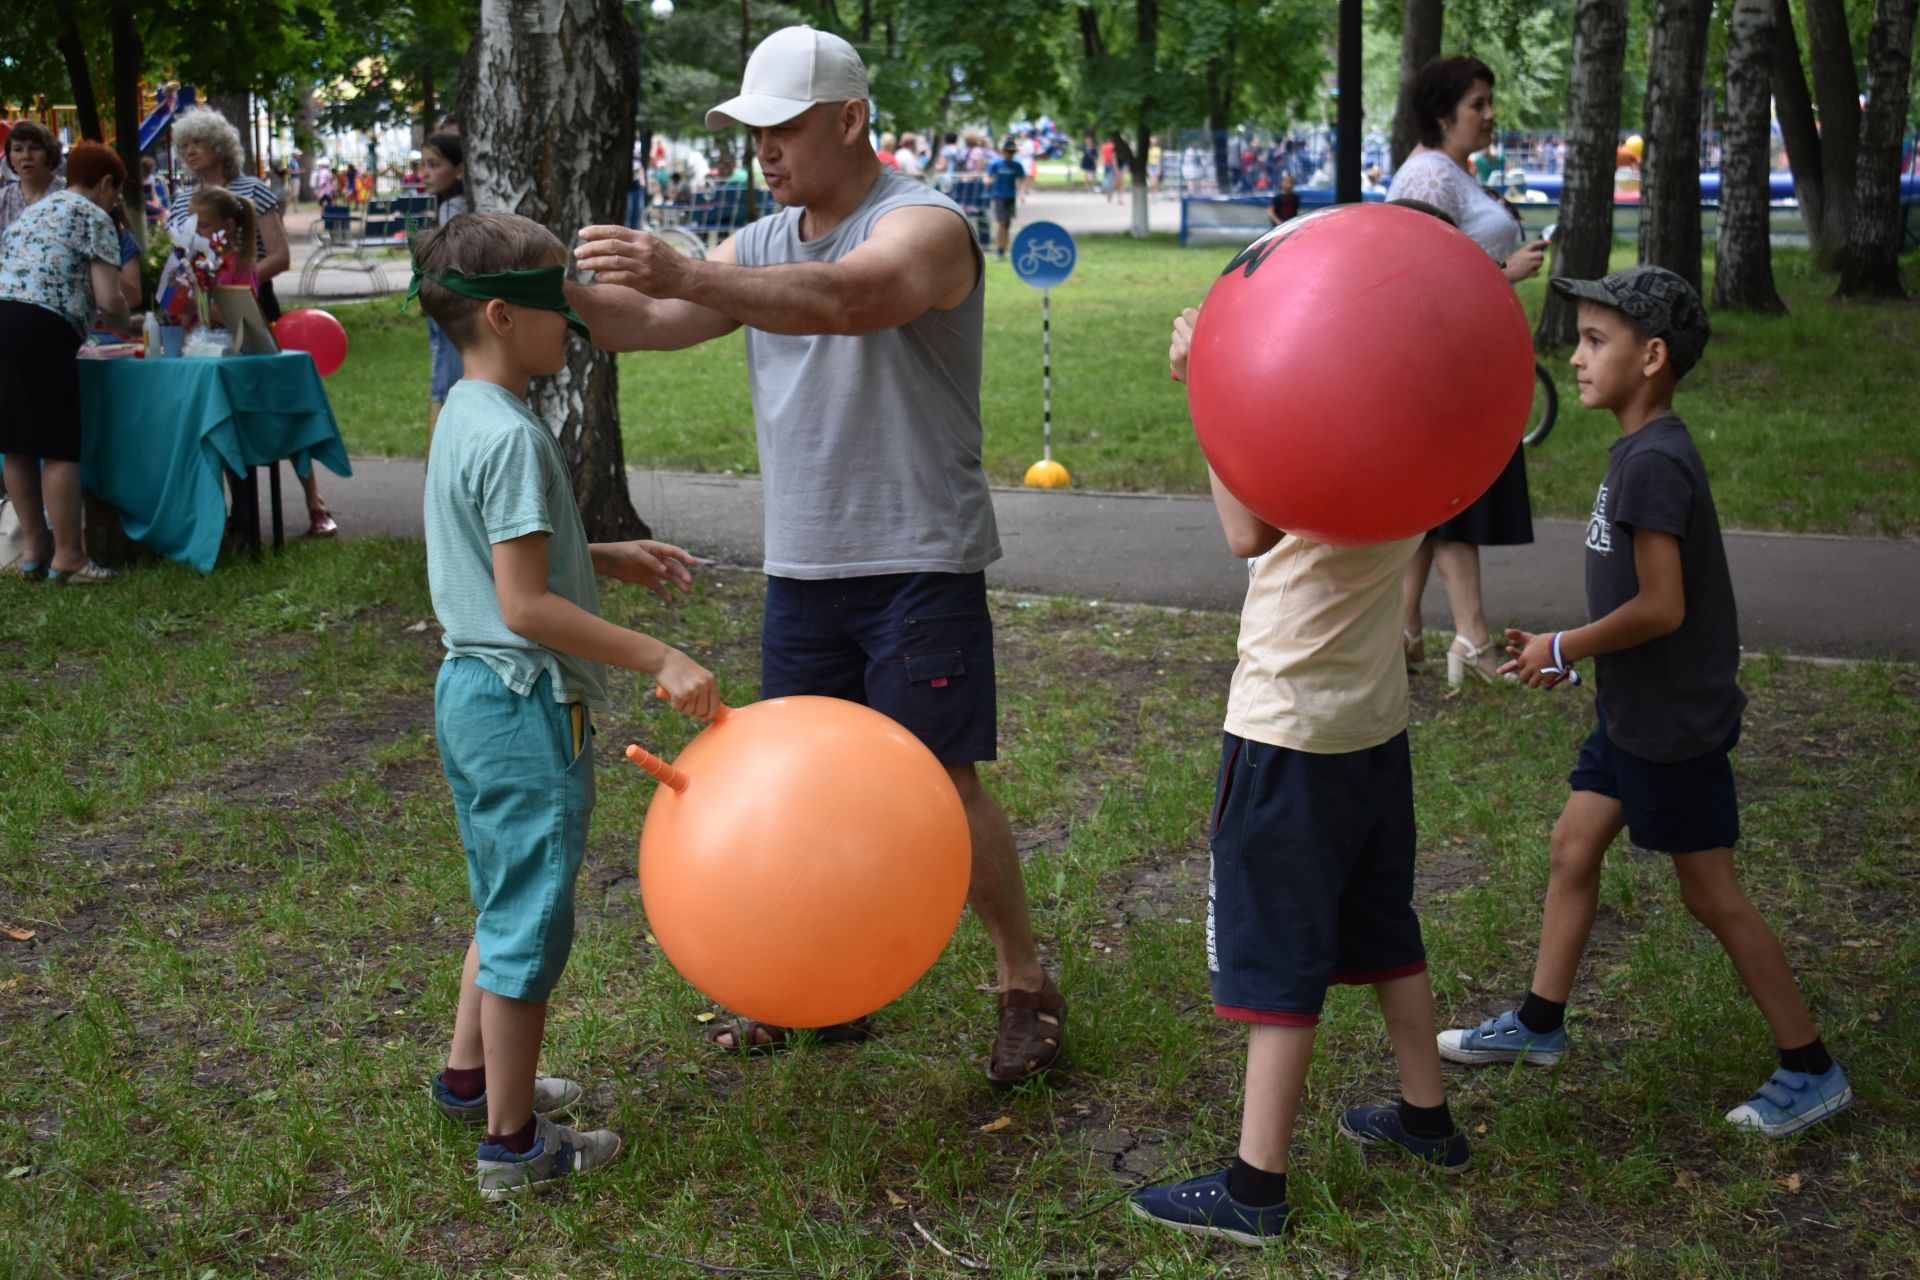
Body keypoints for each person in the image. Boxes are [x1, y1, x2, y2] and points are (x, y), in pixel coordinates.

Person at [570, 24, 1065, 1082]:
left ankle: (1024, 982)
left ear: (851, 118)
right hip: (804, 565)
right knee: (803, 790)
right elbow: (636, 322)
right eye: (751, 133)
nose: (764, 152)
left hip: (917, 557)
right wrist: (523, 276)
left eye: (782, 128)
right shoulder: (755, 245)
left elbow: (849, 300)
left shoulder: (928, 225)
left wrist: (687, 270)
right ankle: (826, 989)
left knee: (945, 780)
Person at [1439, 266, 1853, 1138]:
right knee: (1573, 845)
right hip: (1633, 711)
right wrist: (1584, 666)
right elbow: (1645, 609)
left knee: (1712, 896)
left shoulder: (1653, 463)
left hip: (1672, 727)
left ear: (1652, 357)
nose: (1577, 358)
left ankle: (1810, 1066)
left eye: (1596, 342)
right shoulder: (1636, 451)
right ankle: (1539, 1027)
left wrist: (1565, 646)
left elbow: (1664, 606)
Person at [1131, 280, 1470, 1246]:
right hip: (1372, 729)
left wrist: (1210, 389)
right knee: (1382, 926)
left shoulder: (1313, 446)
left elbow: (1246, 532)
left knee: (1280, 954)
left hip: (1286, 733)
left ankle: (1254, 1187)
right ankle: (1426, 1121)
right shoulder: (1419, 442)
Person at [412, 210, 718, 1198]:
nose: (577, 318)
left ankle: (471, 1077)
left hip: (473, 693)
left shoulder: (466, 411)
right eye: (560, 301)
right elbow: (524, 603)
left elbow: (518, 555)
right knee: (529, 925)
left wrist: (607, 555)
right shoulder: (508, 435)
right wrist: (657, 653)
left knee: (502, 900)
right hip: (525, 707)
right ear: (503, 315)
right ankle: (513, 1144)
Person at [1387, 56, 1549, 686]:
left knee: (1434, 506)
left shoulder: (1456, 172)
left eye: (1488, 101)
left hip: (1469, 357)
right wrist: (1504, 273)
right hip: (1443, 365)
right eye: (1477, 104)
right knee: (1456, 498)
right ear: (1441, 115)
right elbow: (1409, 274)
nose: (1489, 115)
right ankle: (1473, 639)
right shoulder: (1429, 175)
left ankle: (1403, 633)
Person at [166, 107, 335, 537]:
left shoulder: (252, 190)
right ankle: (233, 513)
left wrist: (232, 283)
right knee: (220, 407)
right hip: (200, 320)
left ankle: (314, 501)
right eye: (183, 145)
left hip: (251, 306)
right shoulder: (180, 199)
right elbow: (174, 258)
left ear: (219, 146)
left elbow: (279, 255)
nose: (188, 152)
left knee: (277, 403)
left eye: (196, 143)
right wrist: (196, 291)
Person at [0, 141, 132, 583]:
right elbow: (109, 300)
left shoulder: (32, 212)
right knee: (59, 444)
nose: (116, 203)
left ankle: (35, 551)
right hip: (43, 327)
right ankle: (71, 557)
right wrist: (126, 323)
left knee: (17, 440)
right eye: (117, 193)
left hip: (4, 319)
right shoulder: (95, 217)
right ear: (108, 183)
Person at [420, 131, 470, 447]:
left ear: (460, 169)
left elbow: (448, 267)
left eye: (434, 164)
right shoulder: (448, 206)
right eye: (424, 164)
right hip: (449, 318)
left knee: (447, 390)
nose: (425, 173)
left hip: (451, 317)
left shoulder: (454, 210)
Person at [0, 122, 65, 237]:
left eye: (35, 148)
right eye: (18, 149)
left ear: (49, 153)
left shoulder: (69, 193)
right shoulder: (3, 199)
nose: (26, 156)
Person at [986, 137, 1024, 260]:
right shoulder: (996, 164)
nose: (1010, 154)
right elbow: (988, 177)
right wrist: (989, 181)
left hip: (1010, 196)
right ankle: (1000, 249)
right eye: (1008, 152)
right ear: (1003, 151)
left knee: (1007, 224)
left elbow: (1021, 180)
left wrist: (1021, 194)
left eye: (1012, 152)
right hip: (999, 196)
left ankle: (1005, 247)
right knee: (1001, 222)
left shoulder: (1017, 165)